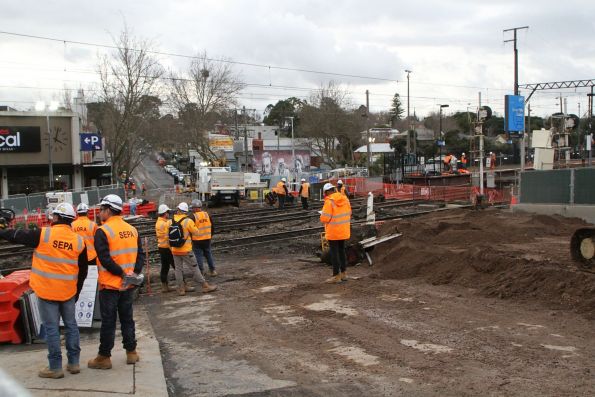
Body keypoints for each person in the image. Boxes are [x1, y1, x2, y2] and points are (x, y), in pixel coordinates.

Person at [0, 203, 87, 379]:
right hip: (68, 292)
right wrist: (76, 292)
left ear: (55, 217)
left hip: (47, 292)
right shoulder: (79, 241)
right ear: (71, 220)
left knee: (52, 328)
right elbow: (83, 271)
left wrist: (1, 230)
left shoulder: (43, 234)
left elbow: (17, 236)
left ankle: (55, 367)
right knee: (71, 326)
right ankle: (74, 363)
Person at [87, 194, 144, 370]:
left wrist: (121, 274)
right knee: (127, 318)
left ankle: (104, 356)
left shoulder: (102, 231)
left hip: (110, 285)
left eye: (102, 209)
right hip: (128, 285)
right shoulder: (132, 230)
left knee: (109, 321)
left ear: (109, 210)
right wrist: (132, 274)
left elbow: (104, 259)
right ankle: (131, 352)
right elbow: (139, 255)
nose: (99, 213)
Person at [171, 202, 217, 295]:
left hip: (175, 250)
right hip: (186, 250)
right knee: (195, 268)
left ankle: (181, 289)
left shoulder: (171, 220)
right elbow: (196, 232)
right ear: (186, 211)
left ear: (178, 210)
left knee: (178, 269)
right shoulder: (188, 221)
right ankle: (205, 286)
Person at [319, 183, 352, 284]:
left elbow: (325, 218)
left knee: (334, 254)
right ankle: (343, 273)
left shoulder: (329, 202)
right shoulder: (345, 199)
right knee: (342, 251)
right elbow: (349, 212)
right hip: (343, 230)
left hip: (333, 232)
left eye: (325, 193)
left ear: (328, 191)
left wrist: (321, 215)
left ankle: (336, 276)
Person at [190, 199, 218, 277]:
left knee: (198, 256)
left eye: (192, 208)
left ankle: (201, 272)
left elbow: (190, 229)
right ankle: (212, 270)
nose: (192, 209)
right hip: (207, 239)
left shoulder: (193, 217)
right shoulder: (207, 215)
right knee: (208, 254)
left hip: (197, 240)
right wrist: (210, 236)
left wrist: (191, 239)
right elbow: (212, 227)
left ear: (195, 208)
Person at [155, 204, 175, 293]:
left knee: (165, 267)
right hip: (167, 248)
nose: (169, 214)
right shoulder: (165, 223)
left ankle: (165, 286)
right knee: (176, 266)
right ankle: (183, 285)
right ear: (165, 213)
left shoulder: (158, 222)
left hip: (161, 248)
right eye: (168, 212)